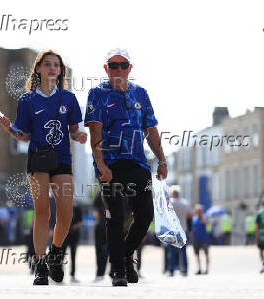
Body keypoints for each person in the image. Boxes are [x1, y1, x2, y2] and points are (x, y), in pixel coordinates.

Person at [0, 49, 87, 286]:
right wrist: (9, 128)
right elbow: (24, 135)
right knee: (42, 212)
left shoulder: (68, 98)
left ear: (60, 71)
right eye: (47, 64)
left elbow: (74, 129)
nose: (52, 68)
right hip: (38, 160)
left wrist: (79, 136)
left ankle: (56, 254)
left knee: (66, 212)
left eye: (56, 65)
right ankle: (40, 265)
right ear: (38, 69)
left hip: (63, 161)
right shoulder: (27, 100)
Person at [85, 48, 167, 286]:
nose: (118, 69)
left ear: (130, 68)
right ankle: (119, 270)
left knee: (145, 215)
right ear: (106, 69)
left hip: (138, 163)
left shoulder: (141, 94)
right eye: (113, 65)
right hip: (110, 163)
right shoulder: (97, 94)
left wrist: (161, 159)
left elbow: (151, 131)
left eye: (123, 65)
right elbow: (95, 133)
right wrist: (101, 165)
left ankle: (124, 255)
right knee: (116, 215)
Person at [167, 186, 191, 276]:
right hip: (183, 229)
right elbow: (190, 216)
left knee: (172, 252)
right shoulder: (184, 203)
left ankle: (171, 270)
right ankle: (184, 270)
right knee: (183, 252)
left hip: (173, 230)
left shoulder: (170, 202)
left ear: (173, 194)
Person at [62, 203, 83, 283]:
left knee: (73, 256)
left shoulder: (77, 207)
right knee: (62, 255)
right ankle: (60, 273)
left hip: (74, 235)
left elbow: (80, 222)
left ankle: (73, 275)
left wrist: (73, 227)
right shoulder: (63, 206)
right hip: (64, 235)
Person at [93, 191, 109, 282]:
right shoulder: (101, 193)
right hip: (101, 226)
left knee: (109, 251)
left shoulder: (118, 190)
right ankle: (100, 274)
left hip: (111, 226)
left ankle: (112, 272)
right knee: (99, 251)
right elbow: (95, 207)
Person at [191, 204, 210, 275]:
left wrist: (203, 218)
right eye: (197, 210)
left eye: (200, 210)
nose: (198, 211)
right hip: (196, 240)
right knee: (197, 255)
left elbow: (208, 224)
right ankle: (199, 269)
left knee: (206, 254)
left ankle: (207, 269)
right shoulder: (194, 218)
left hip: (204, 239)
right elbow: (193, 228)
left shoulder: (204, 217)